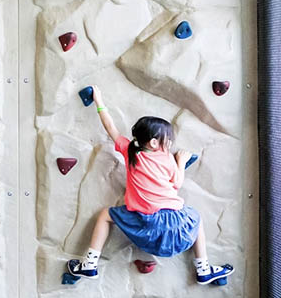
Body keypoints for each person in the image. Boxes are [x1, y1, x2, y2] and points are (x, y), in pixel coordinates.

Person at [67, 86, 234, 285]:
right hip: (177, 227)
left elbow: (110, 127)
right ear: (155, 143)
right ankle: (203, 268)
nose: (170, 144)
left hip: (146, 228)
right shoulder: (166, 159)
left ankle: (89, 264)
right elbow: (177, 183)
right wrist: (180, 161)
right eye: (168, 141)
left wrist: (99, 101)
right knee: (195, 219)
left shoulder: (131, 152)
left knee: (105, 215)